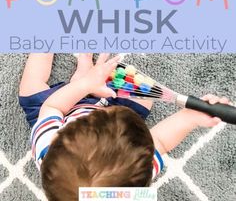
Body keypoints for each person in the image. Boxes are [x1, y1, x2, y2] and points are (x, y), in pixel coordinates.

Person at [19, 53, 229, 201]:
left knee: (31, 86)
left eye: (102, 114)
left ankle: (76, 70)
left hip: (64, 109)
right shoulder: (132, 179)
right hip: (106, 102)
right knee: (144, 97)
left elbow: (53, 106)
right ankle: (87, 76)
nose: (100, 111)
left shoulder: (47, 146)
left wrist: (83, 85)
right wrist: (189, 118)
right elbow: (161, 142)